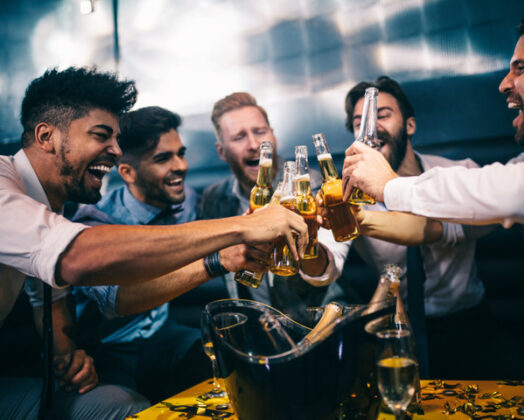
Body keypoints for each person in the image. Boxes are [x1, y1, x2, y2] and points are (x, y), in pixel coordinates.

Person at [0, 67, 309, 418]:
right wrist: (238, 232)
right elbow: (78, 260)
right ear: (46, 136)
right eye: (102, 136)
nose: (116, 152)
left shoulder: (48, 205)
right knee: (124, 407)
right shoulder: (12, 190)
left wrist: (66, 356)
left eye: (117, 140)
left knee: (217, 363)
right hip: (112, 348)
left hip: (158, 338)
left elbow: (50, 300)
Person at [341, 11, 524, 296]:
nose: (504, 83)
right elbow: (446, 225)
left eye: (521, 68)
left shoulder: (494, 177)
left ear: (410, 125)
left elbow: (511, 192)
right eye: (360, 122)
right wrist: (354, 219)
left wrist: (388, 186)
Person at [72, 106, 269, 402]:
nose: (180, 166)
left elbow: (224, 213)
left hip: (163, 334)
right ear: (127, 172)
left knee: (226, 368)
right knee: (127, 406)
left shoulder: (184, 199)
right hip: (106, 349)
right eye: (163, 158)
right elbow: (120, 302)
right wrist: (217, 261)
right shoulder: (97, 224)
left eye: (181, 153)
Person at [319, 77, 498, 378]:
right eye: (359, 122)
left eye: (383, 115)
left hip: (469, 326)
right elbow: (325, 268)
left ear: (410, 125)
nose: (370, 130)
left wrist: (364, 219)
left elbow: (476, 225)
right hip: (398, 332)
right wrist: (310, 245)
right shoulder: (346, 194)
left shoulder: (460, 173)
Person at [198, 92, 343, 323]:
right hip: (251, 330)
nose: (254, 145)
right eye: (239, 137)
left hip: (315, 327)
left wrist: (305, 233)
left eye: (260, 132)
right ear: (221, 151)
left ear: (273, 137)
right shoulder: (213, 198)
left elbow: (327, 271)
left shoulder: (313, 186)